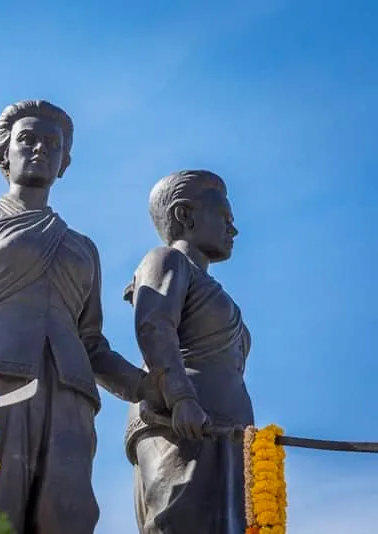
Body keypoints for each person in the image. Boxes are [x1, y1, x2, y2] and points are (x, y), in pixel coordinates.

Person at [0, 99, 150, 534]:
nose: (40, 148)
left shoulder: (83, 248)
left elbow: (92, 343)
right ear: (2, 153)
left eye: (52, 143)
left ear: (65, 162)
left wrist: (145, 387)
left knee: (66, 515)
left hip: (69, 395)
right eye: (27, 139)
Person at [122, 170, 253, 534]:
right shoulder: (166, 260)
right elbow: (154, 326)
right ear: (185, 215)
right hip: (181, 424)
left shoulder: (208, 283)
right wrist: (180, 398)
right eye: (225, 218)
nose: (234, 229)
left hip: (226, 431)